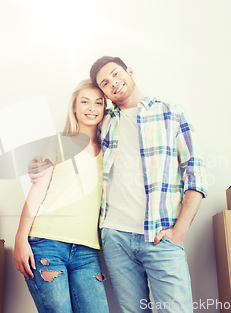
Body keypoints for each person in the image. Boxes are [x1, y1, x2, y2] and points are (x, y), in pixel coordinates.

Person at [30, 56, 208, 313]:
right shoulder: (104, 121)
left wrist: (179, 232)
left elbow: (195, 175)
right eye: (105, 83)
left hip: (161, 235)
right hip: (115, 238)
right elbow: (75, 149)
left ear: (130, 72)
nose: (113, 83)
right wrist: (38, 164)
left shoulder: (172, 113)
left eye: (115, 74)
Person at [13, 78, 109, 313]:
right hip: (46, 245)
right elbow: (37, 191)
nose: (92, 108)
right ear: (74, 107)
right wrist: (20, 238)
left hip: (87, 250)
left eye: (98, 103)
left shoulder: (109, 152)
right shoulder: (57, 142)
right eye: (85, 101)